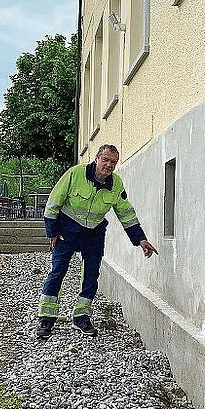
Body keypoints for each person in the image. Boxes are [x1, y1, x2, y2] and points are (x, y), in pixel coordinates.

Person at [36, 144, 157, 340]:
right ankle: (46, 318)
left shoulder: (116, 184)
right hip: (67, 230)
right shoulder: (75, 174)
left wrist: (141, 239)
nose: (109, 165)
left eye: (113, 162)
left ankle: (82, 316)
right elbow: (53, 202)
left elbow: (125, 213)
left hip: (94, 234)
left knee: (91, 276)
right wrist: (52, 231)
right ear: (97, 158)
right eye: (105, 160)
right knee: (58, 271)